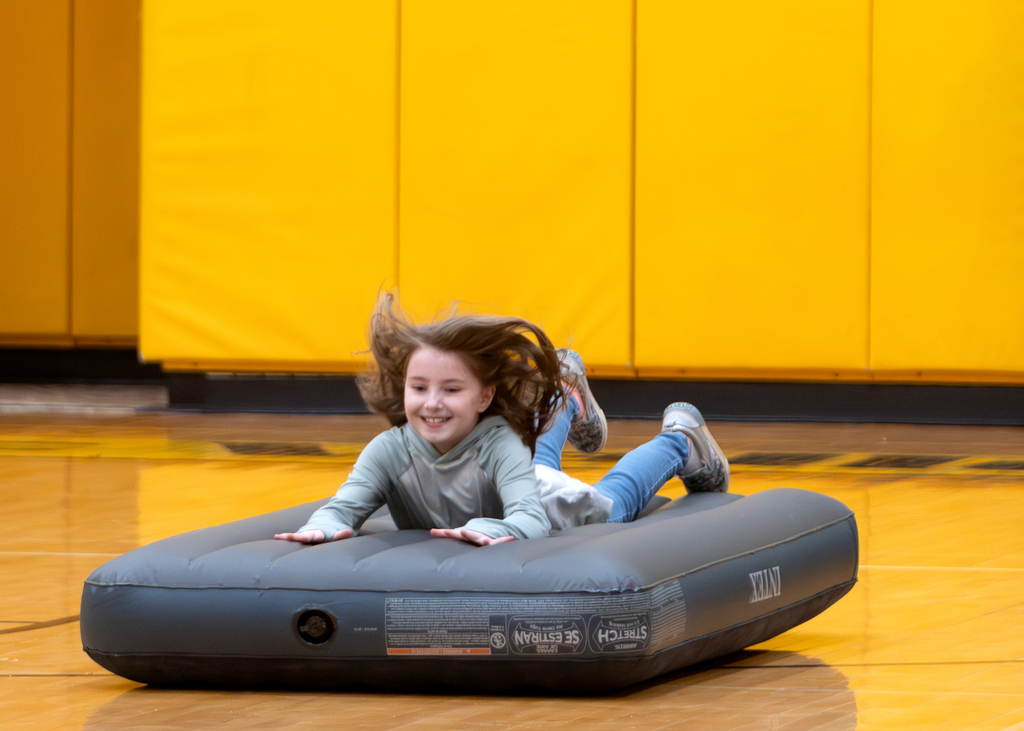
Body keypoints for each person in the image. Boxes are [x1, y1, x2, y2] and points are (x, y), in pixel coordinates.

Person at [274, 294, 729, 547]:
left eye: (451, 390)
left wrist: (494, 528)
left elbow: (530, 519)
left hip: (550, 505)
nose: (432, 403)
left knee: (612, 503)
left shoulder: (499, 446)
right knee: (535, 461)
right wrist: (328, 522)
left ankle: (682, 440)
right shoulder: (389, 450)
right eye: (419, 388)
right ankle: (562, 391)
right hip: (522, 476)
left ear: (484, 396)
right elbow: (346, 505)